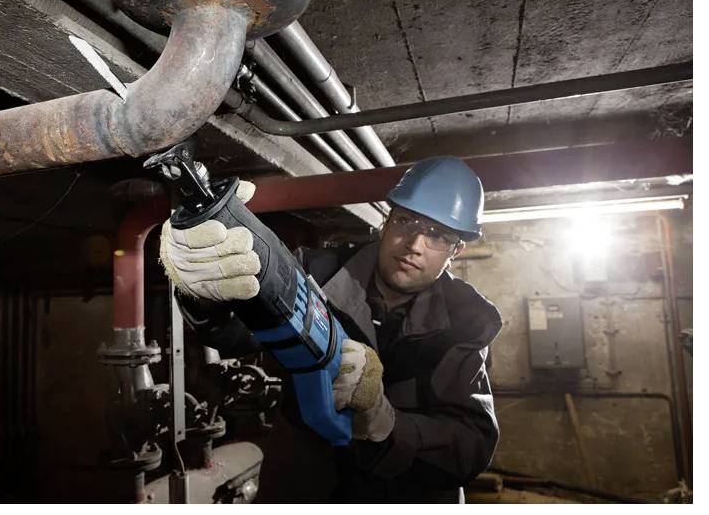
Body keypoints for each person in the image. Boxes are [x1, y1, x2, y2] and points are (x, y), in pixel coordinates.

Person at [159, 156, 503, 503]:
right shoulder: (316, 273)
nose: (415, 244)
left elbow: (470, 446)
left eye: (438, 236)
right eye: (406, 221)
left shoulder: (465, 323)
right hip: (303, 484)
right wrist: (205, 295)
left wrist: (385, 423)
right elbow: (237, 332)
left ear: (456, 251)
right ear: (387, 221)